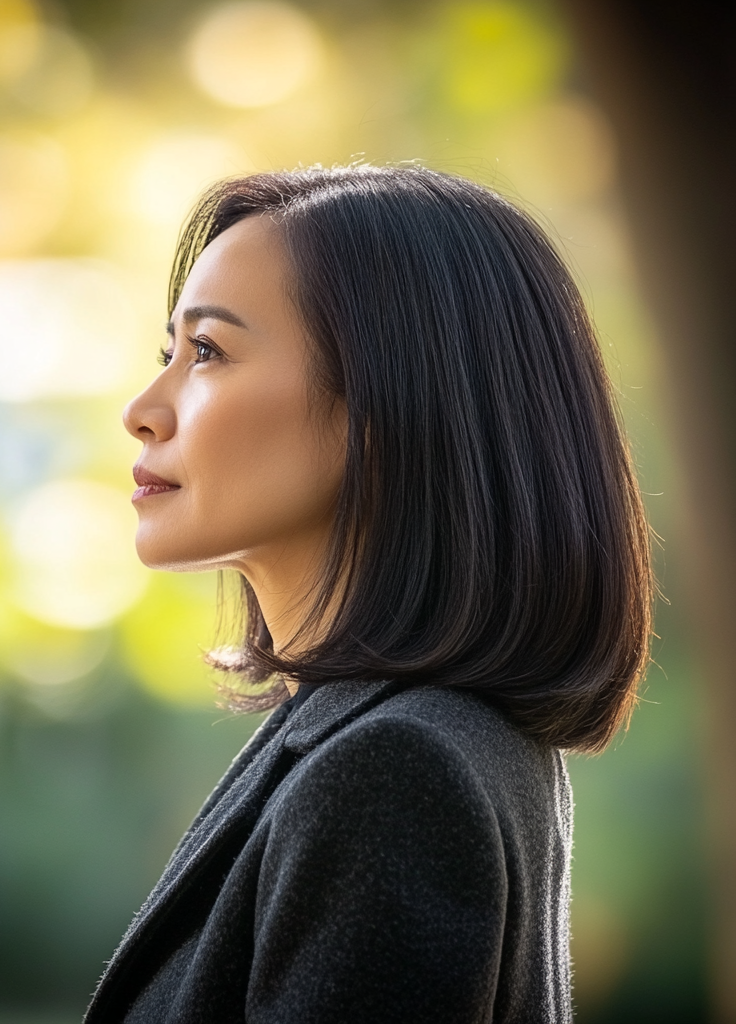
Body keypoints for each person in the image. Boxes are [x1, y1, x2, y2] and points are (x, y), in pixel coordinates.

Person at [86, 164, 652, 1023]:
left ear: (387, 401)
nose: (142, 408)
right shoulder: (419, 741)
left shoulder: (392, 773)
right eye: (168, 353)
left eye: (207, 352)